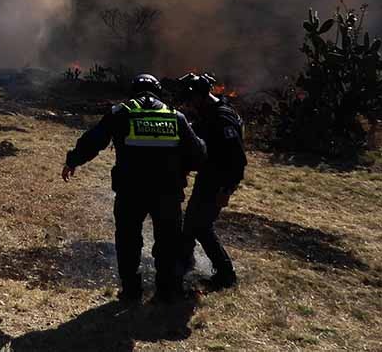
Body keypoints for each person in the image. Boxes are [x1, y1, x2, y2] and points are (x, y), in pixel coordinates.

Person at [62, 73, 206, 302]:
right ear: (158, 92)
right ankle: (165, 290)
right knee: (167, 241)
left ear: (132, 92)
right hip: (167, 192)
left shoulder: (121, 113)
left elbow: (94, 140)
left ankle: (131, 290)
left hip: (131, 191)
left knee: (128, 240)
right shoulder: (174, 116)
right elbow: (198, 154)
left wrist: (73, 161)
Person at [176, 72, 246, 289]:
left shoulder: (222, 118)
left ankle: (226, 273)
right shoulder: (208, 114)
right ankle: (184, 262)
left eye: (190, 100)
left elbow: (238, 159)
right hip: (207, 177)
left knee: (201, 226)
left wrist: (227, 189)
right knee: (191, 222)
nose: (189, 105)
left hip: (218, 181)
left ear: (200, 96)